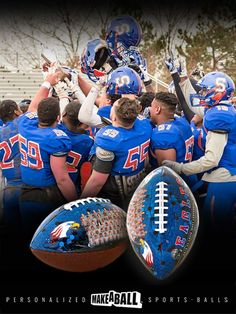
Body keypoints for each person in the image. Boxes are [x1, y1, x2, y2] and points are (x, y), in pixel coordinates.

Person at [18, 93, 78, 239]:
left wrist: (47, 83)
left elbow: (31, 108)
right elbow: (62, 179)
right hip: (47, 195)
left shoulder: (24, 124)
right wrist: (76, 203)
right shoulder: (55, 138)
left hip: (25, 192)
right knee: (50, 242)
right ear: (58, 117)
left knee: (29, 239)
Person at [80, 97, 152, 210]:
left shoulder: (109, 140)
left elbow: (97, 181)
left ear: (113, 117)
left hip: (115, 189)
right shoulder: (144, 126)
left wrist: (81, 204)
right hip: (137, 181)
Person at [149, 92, 197, 189]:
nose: (149, 109)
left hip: (178, 188)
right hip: (191, 178)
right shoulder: (181, 122)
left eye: (151, 106)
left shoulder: (163, 135)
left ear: (157, 109)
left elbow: (167, 174)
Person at [57, 100, 94, 195]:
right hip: (72, 186)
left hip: (53, 185)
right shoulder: (88, 141)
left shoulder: (55, 131)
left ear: (64, 113)